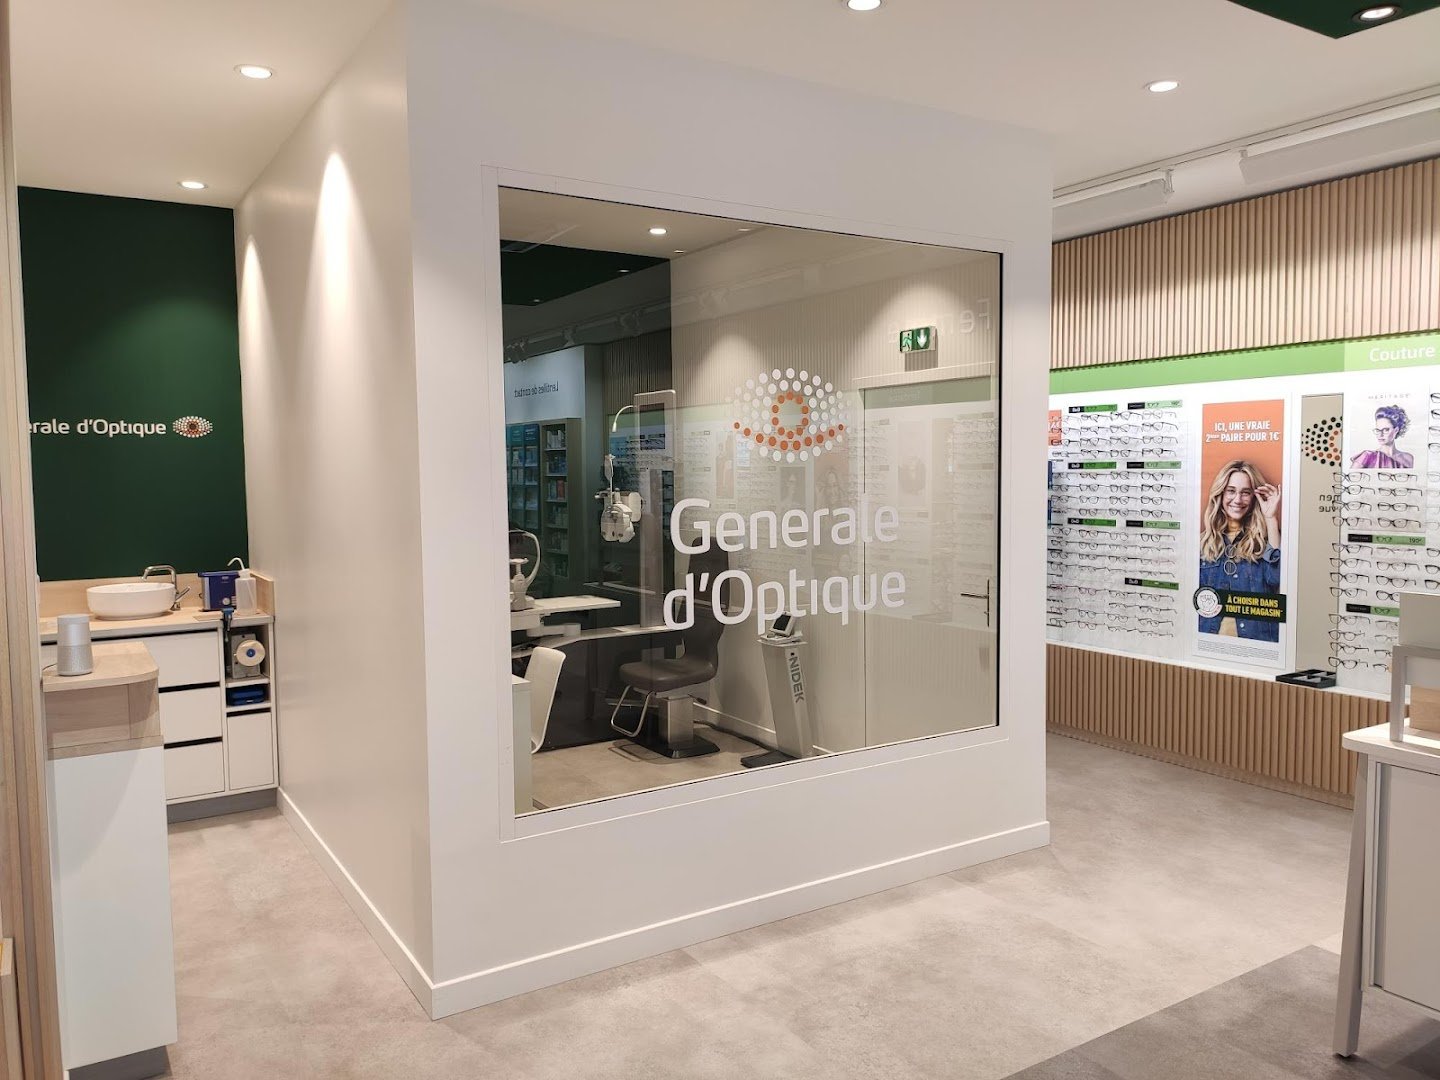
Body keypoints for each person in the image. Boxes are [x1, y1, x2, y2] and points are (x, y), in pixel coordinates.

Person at [1198, 460, 1281, 642]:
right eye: (1231, 491)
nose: (1237, 500)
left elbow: (1276, 579)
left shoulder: (1266, 539)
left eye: (1245, 493)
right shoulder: (1203, 543)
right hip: (1209, 644)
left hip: (1256, 646)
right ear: (1220, 493)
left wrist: (1271, 519)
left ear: (1254, 497)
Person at [1350, 405, 1413, 470]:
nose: (1380, 435)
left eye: (1386, 430)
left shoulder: (1408, 458)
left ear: (1396, 430)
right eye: (1378, 430)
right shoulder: (1367, 456)